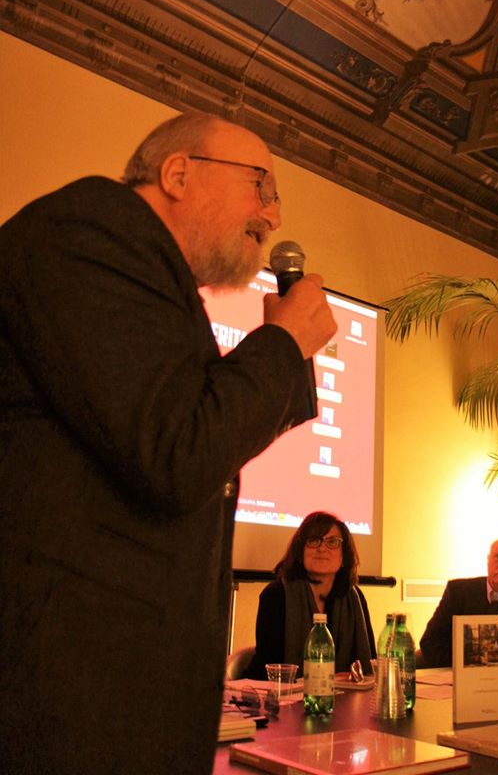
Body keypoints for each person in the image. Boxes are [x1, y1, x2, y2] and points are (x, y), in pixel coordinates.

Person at [0, 111, 337, 775]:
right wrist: (282, 343)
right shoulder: (89, 231)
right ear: (179, 173)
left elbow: (192, 434)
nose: (274, 216)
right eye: (261, 186)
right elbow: (179, 450)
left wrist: (288, 357)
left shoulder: (152, 280)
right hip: (66, 696)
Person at [244, 511, 375, 679]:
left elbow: (370, 661)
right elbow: (268, 664)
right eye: (313, 540)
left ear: (344, 555)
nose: (322, 548)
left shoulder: (355, 598)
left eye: (332, 542)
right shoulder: (276, 595)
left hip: (345, 693)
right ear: (300, 552)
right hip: (284, 691)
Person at [419, 538, 498, 667]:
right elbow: (430, 642)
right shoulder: (457, 592)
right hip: (453, 671)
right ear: (488, 560)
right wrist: (467, 666)